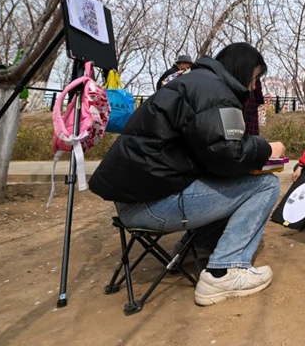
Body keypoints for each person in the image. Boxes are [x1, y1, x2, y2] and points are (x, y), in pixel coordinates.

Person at [89, 43, 285, 307]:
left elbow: (212, 153)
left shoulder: (194, 83)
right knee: (265, 185)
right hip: (153, 205)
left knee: (226, 181)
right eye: (254, 78)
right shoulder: (215, 93)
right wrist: (266, 148)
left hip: (135, 201)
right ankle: (224, 271)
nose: (252, 87)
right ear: (242, 70)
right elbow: (228, 155)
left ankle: (197, 248)